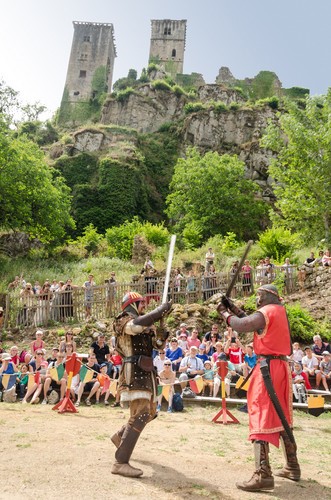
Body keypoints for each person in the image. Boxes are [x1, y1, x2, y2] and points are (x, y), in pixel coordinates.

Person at [217, 284, 300, 492]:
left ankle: (263, 474)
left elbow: (243, 324)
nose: (257, 300)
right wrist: (233, 307)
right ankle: (292, 465)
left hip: (268, 370)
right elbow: (253, 322)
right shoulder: (278, 311)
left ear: (268, 296)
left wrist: (225, 313)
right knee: (282, 417)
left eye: (259, 296)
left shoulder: (268, 311)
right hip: (280, 367)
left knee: (260, 414)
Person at [111, 291, 171, 478]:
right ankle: (120, 462)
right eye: (141, 303)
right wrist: (157, 312)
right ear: (132, 304)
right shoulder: (123, 320)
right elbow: (134, 327)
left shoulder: (146, 324)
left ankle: (121, 436)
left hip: (147, 371)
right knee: (141, 412)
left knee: (150, 411)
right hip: (133, 370)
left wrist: (161, 330)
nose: (145, 306)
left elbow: (157, 344)